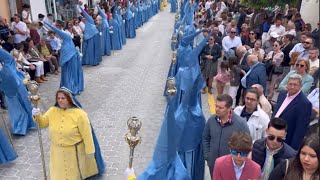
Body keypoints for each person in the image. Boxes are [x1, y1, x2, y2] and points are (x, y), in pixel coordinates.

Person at [31, 87, 105, 179]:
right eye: (58, 98)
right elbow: (42, 123)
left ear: (69, 99)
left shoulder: (80, 114)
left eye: (63, 98)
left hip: (74, 153)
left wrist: (90, 152)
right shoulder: (52, 111)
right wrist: (36, 115)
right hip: (57, 152)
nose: (60, 101)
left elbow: (87, 135)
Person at [202, 94, 250, 178]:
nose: (217, 109)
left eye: (220, 108)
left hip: (231, 166)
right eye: (216, 106)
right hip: (213, 163)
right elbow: (205, 138)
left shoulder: (241, 123)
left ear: (229, 108)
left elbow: (247, 144)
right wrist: (207, 155)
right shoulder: (211, 120)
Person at [0, 48, 36, 135]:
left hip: (13, 81)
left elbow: (10, 59)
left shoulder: (8, 62)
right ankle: (21, 126)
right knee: (16, 105)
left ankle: (25, 124)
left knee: (21, 103)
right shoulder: (8, 62)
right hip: (9, 83)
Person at [273, 74, 312, 150]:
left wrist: (292, 149)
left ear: (301, 86)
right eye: (290, 84)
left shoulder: (304, 103)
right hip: (273, 134)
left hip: (286, 140)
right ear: (287, 85)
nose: (292, 87)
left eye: (295, 85)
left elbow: (300, 129)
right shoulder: (282, 94)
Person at [44, 22, 84, 95]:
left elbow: (63, 56)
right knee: (73, 73)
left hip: (70, 61)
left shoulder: (65, 43)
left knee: (68, 73)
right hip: (74, 58)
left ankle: (69, 87)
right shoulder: (69, 41)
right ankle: (74, 86)